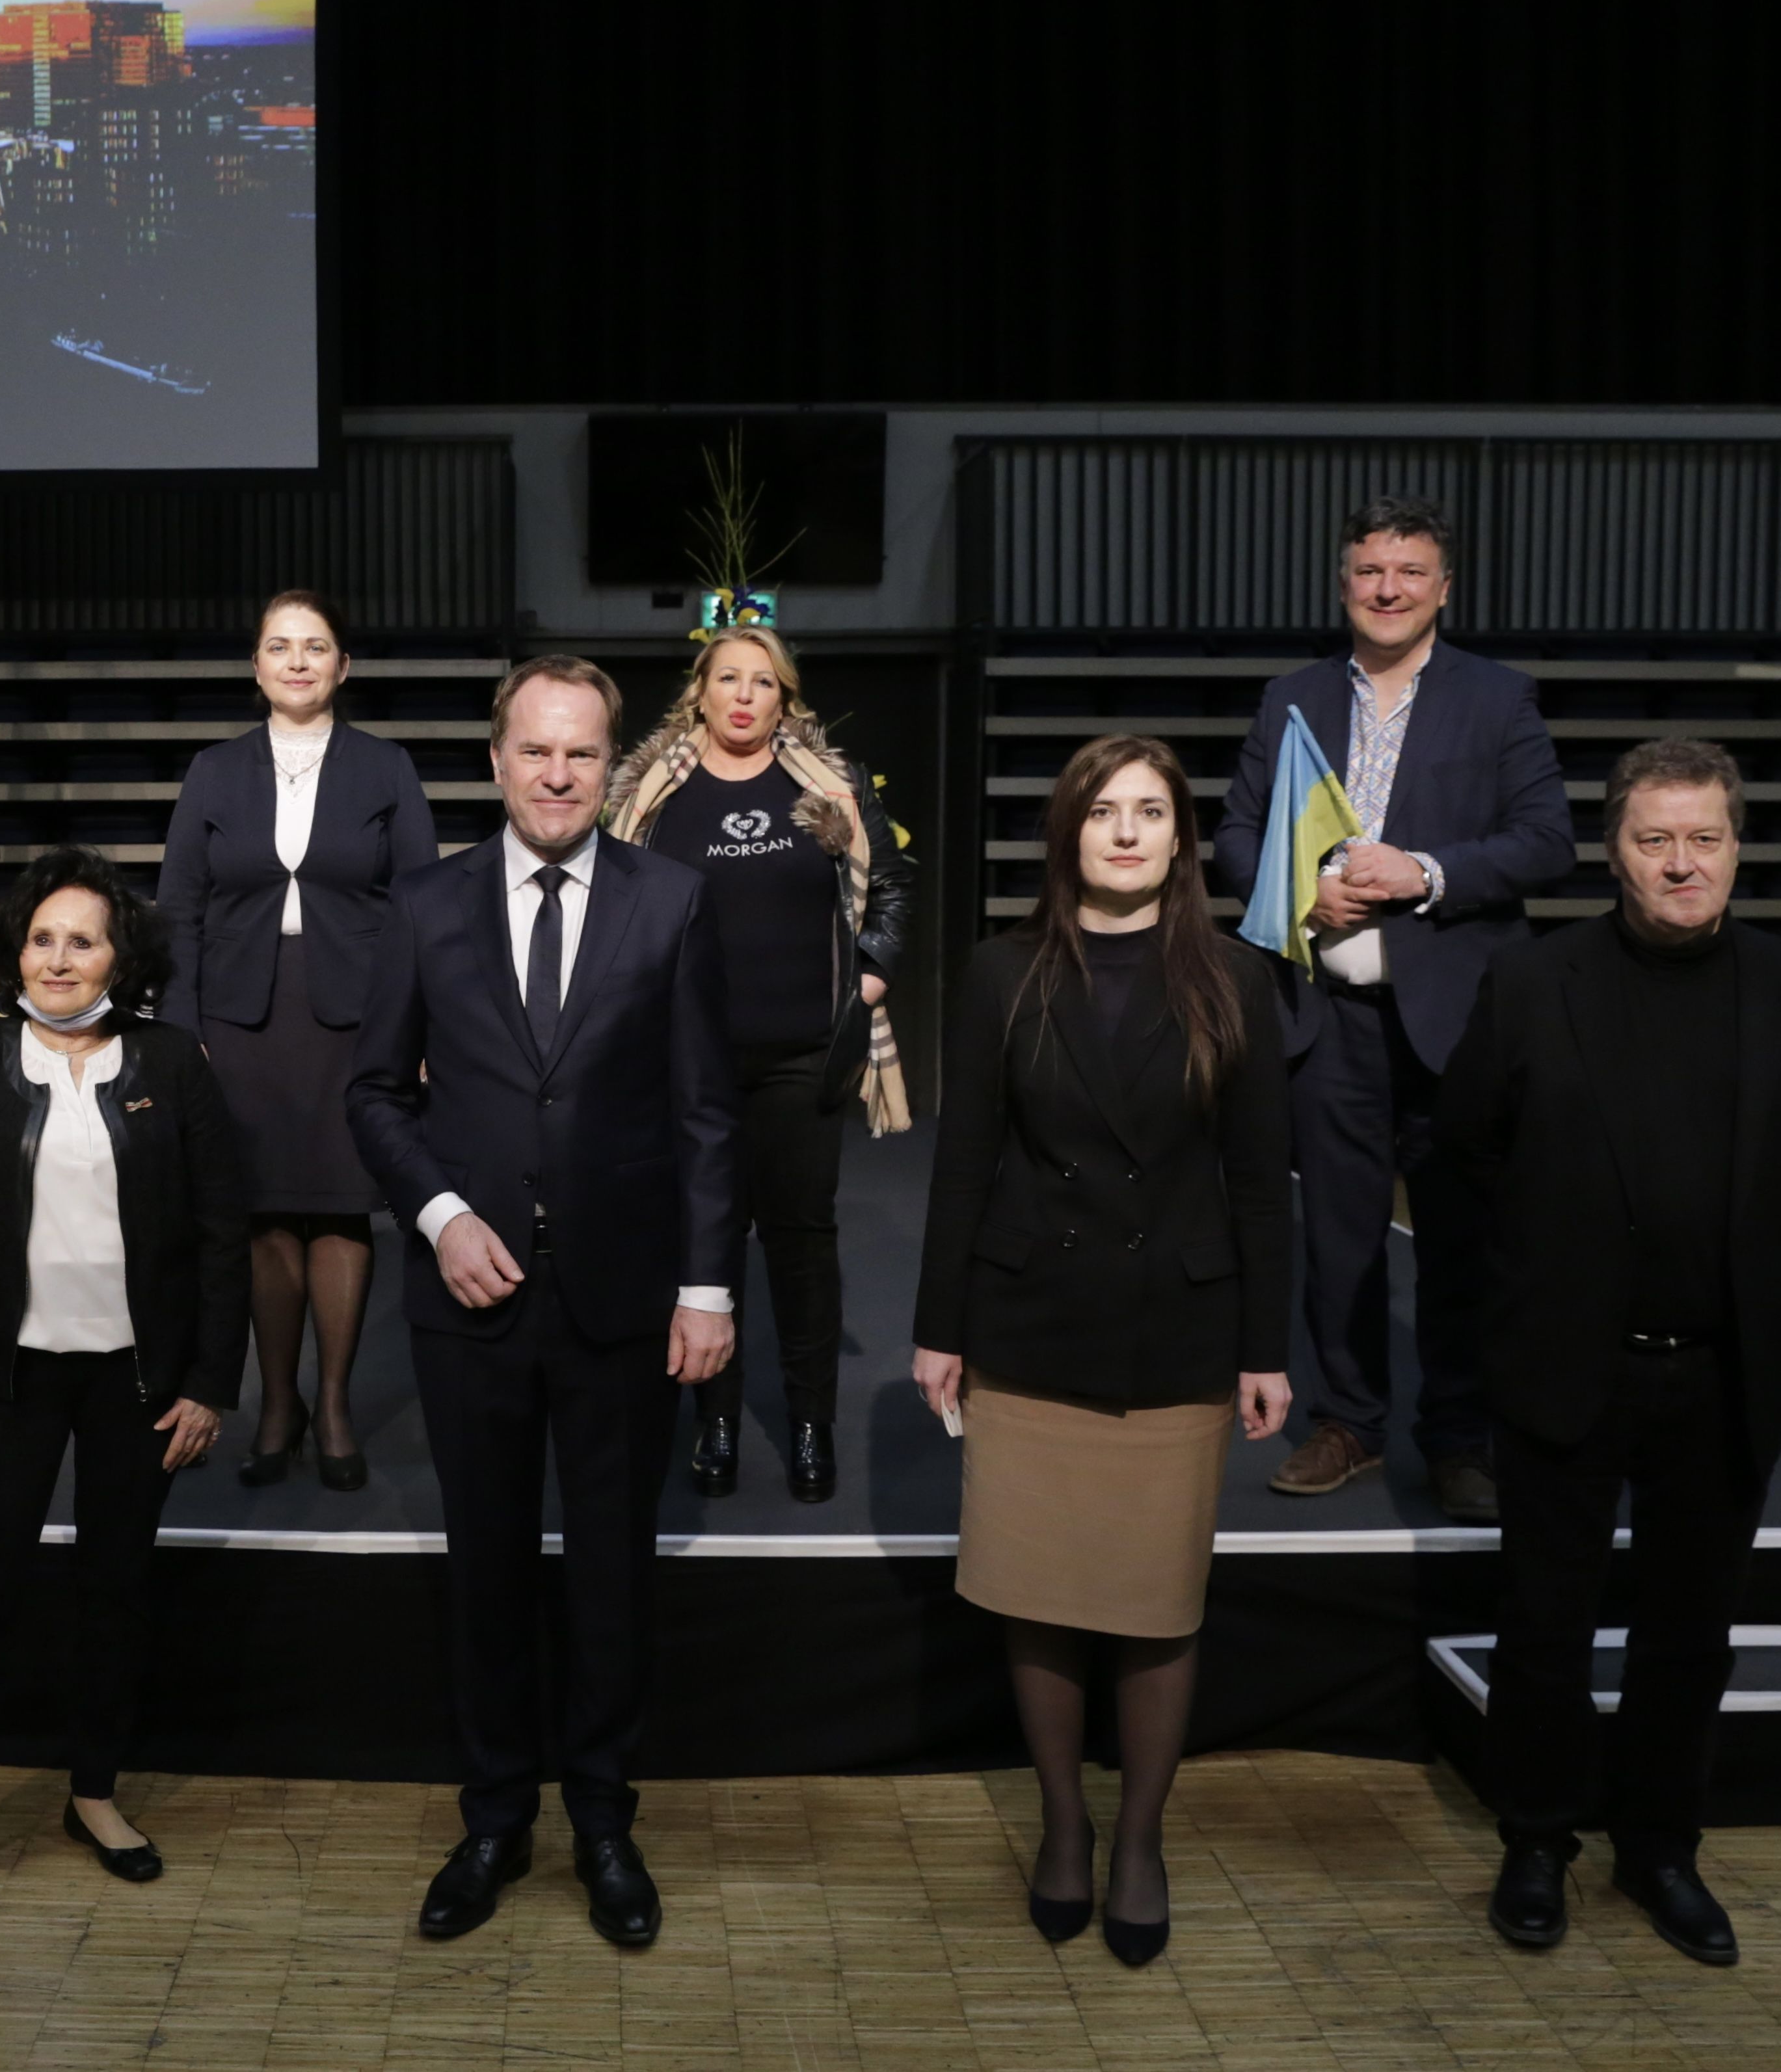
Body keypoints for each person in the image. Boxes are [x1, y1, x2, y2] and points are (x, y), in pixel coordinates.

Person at [1441, 738, 1781, 1968]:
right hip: (1567, 1354)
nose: (1682, 863)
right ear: (1614, 851)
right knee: (1546, 1621)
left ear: (1737, 847)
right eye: (1654, 839)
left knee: (1692, 1629)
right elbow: (1472, 1145)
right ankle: (1536, 1839)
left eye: (1705, 839)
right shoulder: (1531, 985)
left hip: (1725, 1363)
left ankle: (1661, 1848)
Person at [346, 655, 738, 1950]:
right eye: (534, 750)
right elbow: (373, 1096)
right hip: (470, 1299)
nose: (557, 774)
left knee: (614, 1573)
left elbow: (701, 1109)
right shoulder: (423, 902)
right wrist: (442, 1214)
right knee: (489, 1570)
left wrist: (705, 1282)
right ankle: (495, 1817)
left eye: (580, 753)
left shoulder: (671, 900)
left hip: (627, 1299)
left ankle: (605, 1821)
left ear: (608, 763)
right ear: (498, 758)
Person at [912, 736, 1292, 1968]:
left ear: (1183, 838)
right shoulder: (997, 974)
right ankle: (1065, 1827)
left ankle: (1139, 1838)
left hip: (1176, 1326)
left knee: (1152, 1599)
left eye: (1150, 812)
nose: (1125, 832)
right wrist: (940, 1325)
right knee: (1038, 1591)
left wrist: (1266, 1346)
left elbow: (1260, 1184)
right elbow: (962, 1156)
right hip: (1031, 1320)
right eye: (1101, 811)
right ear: (1066, 831)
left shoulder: (1238, 977)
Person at [0, 846, 248, 1926]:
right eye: (42, 937)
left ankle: (96, 1796)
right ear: (13, 951)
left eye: (83, 939)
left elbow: (224, 1235)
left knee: (114, 1595)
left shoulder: (174, 1064)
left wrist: (210, 1383)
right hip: (4, 1386)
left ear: (121, 956)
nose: (60, 957)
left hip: (140, 1388)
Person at [1212, 496, 1573, 1522]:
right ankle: (1349, 1424)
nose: (1387, 588)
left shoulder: (1499, 699)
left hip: (1460, 1022)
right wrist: (1294, 890)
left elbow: (1548, 841)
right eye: (1370, 570)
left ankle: (1461, 1440)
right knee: (1338, 1242)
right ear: (1344, 583)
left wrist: (1421, 870)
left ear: (1443, 588)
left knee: (1464, 1240)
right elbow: (1237, 834)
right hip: (1330, 1020)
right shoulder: (1290, 697)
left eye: (1410, 571)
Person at [605, 624, 913, 1505]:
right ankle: (717, 1419)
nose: (745, 695)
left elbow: (889, 884)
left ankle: (811, 1422)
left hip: (802, 1057)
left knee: (802, 1247)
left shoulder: (829, 783)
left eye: (764, 682)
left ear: (786, 697)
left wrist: (875, 972)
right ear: (698, 689)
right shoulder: (650, 795)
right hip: (684, 1063)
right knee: (706, 1246)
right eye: (729, 678)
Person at [158, 589, 438, 1491]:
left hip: (357, 1019)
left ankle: (337, 1402)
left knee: (342, 1208)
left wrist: (419, 1027)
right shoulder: (211, 770)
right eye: (280, 646)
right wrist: (180, 1029)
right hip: (237, 1021)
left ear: (343, 665)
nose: (298, 661)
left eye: (316, 646)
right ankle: (276, 1402)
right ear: (257, 665)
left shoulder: (388, 768)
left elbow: (424, 906)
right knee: (261, 1214)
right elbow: (179, 912)